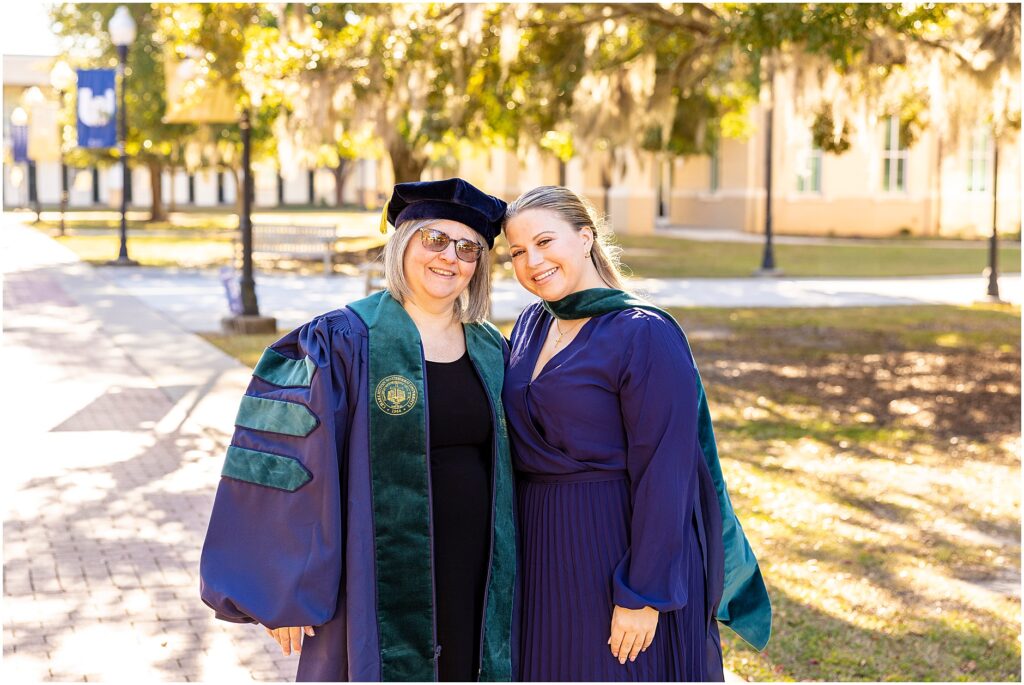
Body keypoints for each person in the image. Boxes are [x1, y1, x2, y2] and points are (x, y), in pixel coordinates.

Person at [199, 178, 517, 682]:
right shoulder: (343, 339)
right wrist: (287, 588)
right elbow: (292, 460)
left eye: (468, 248)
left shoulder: (491, 349)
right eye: (434, 240)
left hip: (477, 569)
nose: (449, 258)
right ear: (404, 243)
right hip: (373, 575)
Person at [502, 186, 772, 681]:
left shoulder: (642, 332)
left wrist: (642, 594)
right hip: (542, 550)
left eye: (545, 241)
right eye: (517, 252)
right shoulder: (529, 325)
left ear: (585, 238)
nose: (532, 261)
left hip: (617, 551)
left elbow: (666, 474)